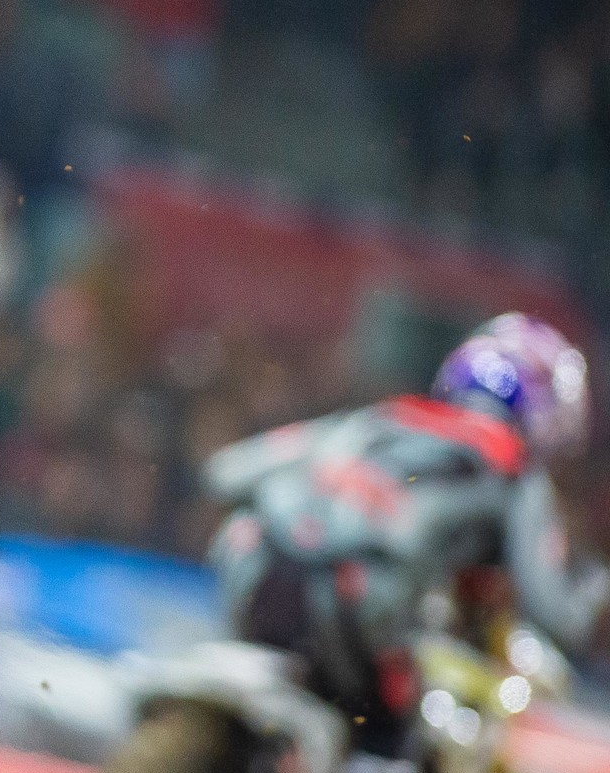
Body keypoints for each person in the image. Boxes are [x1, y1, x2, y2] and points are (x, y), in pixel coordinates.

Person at [203, 314, 609, 747]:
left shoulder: (382, 418)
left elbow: (225, 473)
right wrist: (595, 588)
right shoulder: (513, 472)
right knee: (407, 751)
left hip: (252, 577)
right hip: (361, 624)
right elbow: (555, 613)